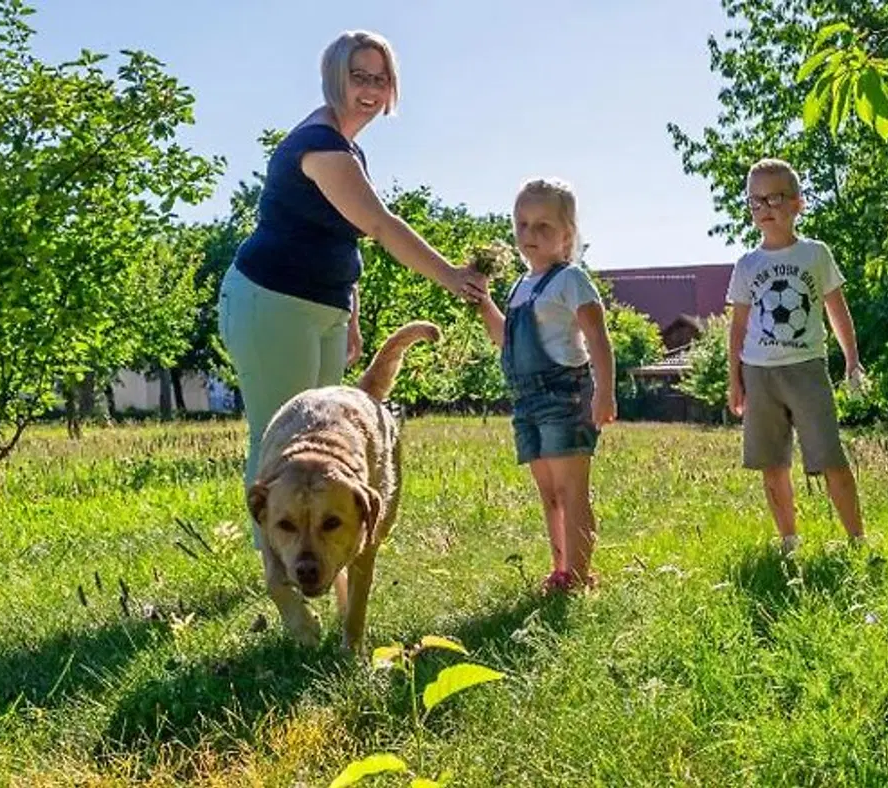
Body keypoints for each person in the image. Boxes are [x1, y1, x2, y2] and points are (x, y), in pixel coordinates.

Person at [218, 30, 488, 504]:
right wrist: (451, 275)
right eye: (358, 76)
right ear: (333, 79)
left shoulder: (347, 148)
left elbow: (344, 238)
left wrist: (351, 319)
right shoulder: (322, 144)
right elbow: (380, 226)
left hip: (323, 309)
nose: (371, 90)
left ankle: (316, 554)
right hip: (273, 301)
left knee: (319, 435)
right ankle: (275, 569)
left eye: (380, 79)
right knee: (278, 436)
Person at [475, 178, 615, 592]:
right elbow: (505, 339)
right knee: (549, 491)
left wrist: (605, 391)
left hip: (564, 396)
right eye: (522, 225)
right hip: (526, 401)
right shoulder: (520, 287)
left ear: (566, 235)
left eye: (543, 227)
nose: (529, 235)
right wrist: (483, 301)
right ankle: (560, 569)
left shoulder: (570, 280)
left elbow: (597, 337)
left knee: (571, 490)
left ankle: (580, 574)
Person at [724, 158, 866, 554]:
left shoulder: (815, 255)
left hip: (807, 370)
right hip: (759, 373)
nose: (765, 208)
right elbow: (737, 327)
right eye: (755, 201)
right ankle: (789, 543)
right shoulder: (747, 265)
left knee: (830, 457)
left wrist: (851, 358)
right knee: (772, 464)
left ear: (798, 204)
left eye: (775, 198)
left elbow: (837, 310)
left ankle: (857, 540)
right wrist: (734, 378)